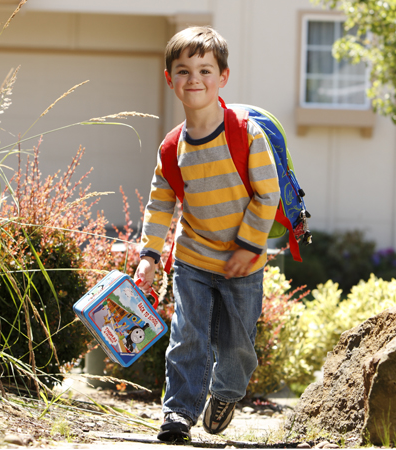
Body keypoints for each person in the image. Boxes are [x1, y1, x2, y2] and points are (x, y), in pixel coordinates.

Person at [133, 26, 280, 443]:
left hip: (243, 262)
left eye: (204, 69)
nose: (193, 78)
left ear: (223, 77)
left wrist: (248, 245)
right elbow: (160, 204)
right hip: (193, 259)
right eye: (183, 70)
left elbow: (266, 194)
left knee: (237, 348)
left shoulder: (246, 133)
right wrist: (150, 255)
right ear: (170, 79)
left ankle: (227, 393)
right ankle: (178, 413)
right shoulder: (171, 148)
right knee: (187, 337)